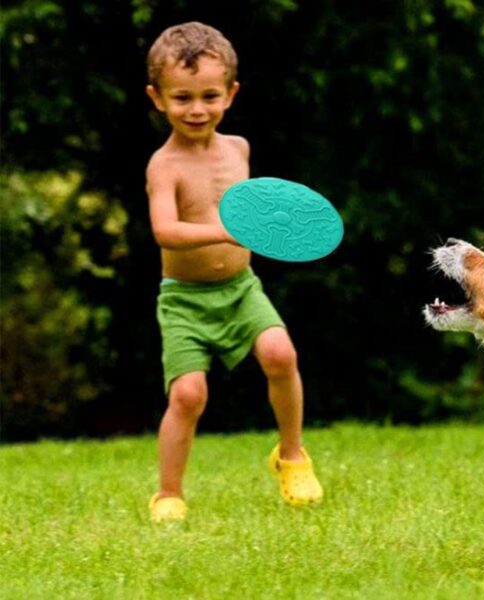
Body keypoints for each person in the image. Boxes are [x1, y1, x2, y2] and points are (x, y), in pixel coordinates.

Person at [144, 21, 322, 521]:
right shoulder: (164, 165)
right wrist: (226, 232)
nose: (196, 109)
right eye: (181, 97)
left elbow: (259, 211)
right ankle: (169, 494)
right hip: (184, 298)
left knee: (280, 352)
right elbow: (165, 230)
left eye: (209, 95)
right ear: (157, 98)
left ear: (231, 94)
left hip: (242, 289)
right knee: (188, 393)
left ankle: (292, 456)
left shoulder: (238, 149)